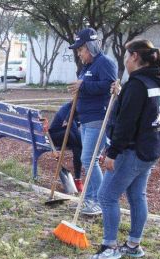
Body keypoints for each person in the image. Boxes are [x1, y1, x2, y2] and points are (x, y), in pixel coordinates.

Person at [88, 39, 160, 259]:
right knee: (136, 195)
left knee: (106, 196)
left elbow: (126, 123)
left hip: (132, 151)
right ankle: (133, 245)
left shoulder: (137, 84)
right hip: (150, 149)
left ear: (134, 57)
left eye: (126, 56)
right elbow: (144, 112)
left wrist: (112, 153)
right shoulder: (155, 81)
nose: (125, 60)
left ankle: (109, 246)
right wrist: (122, 94)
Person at [67, 28, 117, 214]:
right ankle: (89, 199)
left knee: (89, 158)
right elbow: (87, 86)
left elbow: (109, 86)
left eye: (81, 49)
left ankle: (99, 200)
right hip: (86, 119)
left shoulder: (104, 62)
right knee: (87, 158)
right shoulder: (88, 66)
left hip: (99, 117)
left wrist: (83, 85)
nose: (79, 53)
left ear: (90, 46)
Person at [43, 103, 84, 193]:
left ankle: (77, 179)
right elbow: (75, 133)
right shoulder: (67, 110)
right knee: (75, 140)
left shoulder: (80, 109)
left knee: (77, 144)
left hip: (67, 136)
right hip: (55, 137)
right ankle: (78, 179)